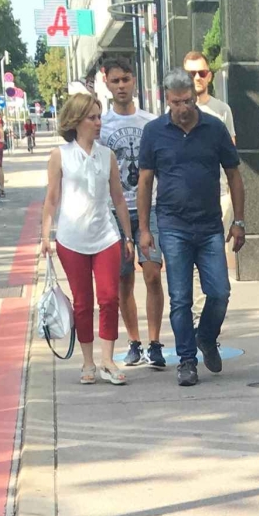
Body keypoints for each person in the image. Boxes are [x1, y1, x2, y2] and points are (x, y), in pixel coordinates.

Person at [137, 69, 245, 388]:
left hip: (209, 225)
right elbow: (145, 182)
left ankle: (206, 337)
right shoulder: (154, 132)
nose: (182, 108)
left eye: (187, 101)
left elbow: (234, 174)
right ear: (166, 100)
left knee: (220, 292)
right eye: (175, 103)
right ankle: (187, 360)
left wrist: (239, 221)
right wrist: (144, 229)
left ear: (195, 97)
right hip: (172, 226)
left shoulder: (214, 127)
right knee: (180, 298)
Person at [40, 92, 137, 386]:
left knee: (109, 298)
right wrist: (45, 235)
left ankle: (107, 360)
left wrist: (127, 236)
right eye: (92, 118)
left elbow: (118, 198)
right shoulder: (60, 155)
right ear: (76, 121)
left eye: (99, 117)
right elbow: (52, 198)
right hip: (71, 240)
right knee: (83, 303)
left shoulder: (107, 156)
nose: (98, 123)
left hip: (106, 236)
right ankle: (88, 361)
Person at [99, 54, 166, 370]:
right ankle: (135, 342)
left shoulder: (150, 122)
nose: (121, 86)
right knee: (123, 280)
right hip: (116, 211)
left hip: (149, 207)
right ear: (107, 83)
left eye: (126, 79)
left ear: (134, 81)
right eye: (115, 81)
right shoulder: (102, 126)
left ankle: (155, 343)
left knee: (152, 273)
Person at [183, 50, 239, 285]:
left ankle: (212, 300)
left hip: (220, 195)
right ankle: (200, 305)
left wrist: (238, 214)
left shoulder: (222, 110)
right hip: (187, 200)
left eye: (202, 72)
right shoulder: (176, 111)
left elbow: (231, 158)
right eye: (191, 73)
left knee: (215, 256)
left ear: (210, 76)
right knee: (194, 261)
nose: (197, 77)